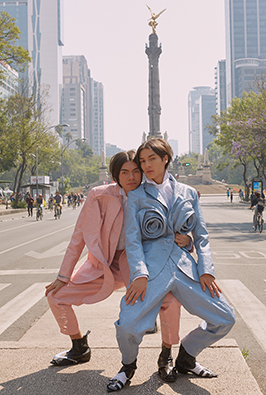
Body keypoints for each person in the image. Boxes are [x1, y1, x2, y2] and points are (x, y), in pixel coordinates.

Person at [45, 150, 191, 382]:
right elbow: (78, 237)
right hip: (102, 265)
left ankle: (166, 354)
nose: (131, 177)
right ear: (115, 174)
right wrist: (64, 275)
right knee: (56, 295)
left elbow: (176, 228)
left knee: (170, 301)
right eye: (125, 172)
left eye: (136, 171)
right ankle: (78, 346)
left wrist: (188, 241)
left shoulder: (153, 194)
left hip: (138, 264)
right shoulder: (98, 196)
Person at [108, 139, 235, 392]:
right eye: (142, 161)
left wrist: (206, 270)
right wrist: (140, 274)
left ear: (165, 158)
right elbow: (133, 240)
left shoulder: (188, 193)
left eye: (151, 159)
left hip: (185, 268)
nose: (146, 165)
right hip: (151, 271)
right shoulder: (136, 196)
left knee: (225, 318)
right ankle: (128, 366)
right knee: (128, 325)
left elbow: (202, 236)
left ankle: (187, 355)